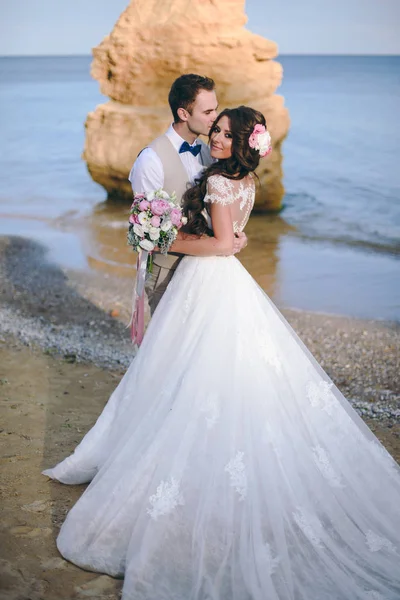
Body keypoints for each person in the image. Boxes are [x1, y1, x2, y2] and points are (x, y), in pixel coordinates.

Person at [43, 107, 400, 600]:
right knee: (204, 369)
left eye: (225, 133)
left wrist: (166, 238)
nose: (215, 136)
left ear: (240, 143)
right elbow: (233, 239)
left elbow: (223, 245)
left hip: (209, 281)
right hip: (222, 284)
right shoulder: (245, 181)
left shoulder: (216, 184)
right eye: (215, 128)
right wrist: (218, 239)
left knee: (193, 370)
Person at [129, 73, 247, 314]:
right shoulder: (151, 160)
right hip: (166, 273)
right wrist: (217, 244)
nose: (215, 119)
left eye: (216, 109)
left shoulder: (210, 152)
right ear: (184, 114)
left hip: (208, 272)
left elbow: (219, 209)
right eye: (207, 112)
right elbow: (148, 233)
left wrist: (236, 236)